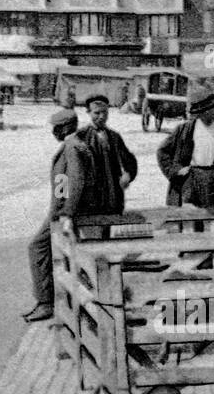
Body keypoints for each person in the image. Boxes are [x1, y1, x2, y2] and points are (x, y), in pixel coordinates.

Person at [23, 109, 92, 323]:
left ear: (66, 127)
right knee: (57, 254)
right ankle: (52, 301)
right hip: (60, 210)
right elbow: (64, 180)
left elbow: (76, 181)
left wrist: (66, 212)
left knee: (37, 247)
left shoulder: (72, 148)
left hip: (65, 213)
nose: (53, 132)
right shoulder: (73, 145)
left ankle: (46, 303)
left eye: (56, 128)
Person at [75, 95, 138, 215]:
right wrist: (63, 207)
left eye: (105, 112)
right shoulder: (80, 137)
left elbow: (129, 159)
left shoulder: (114, 137)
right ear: (88, 112)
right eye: (97, 113)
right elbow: (64, 173)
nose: (101, 117)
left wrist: (128, 174)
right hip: (89, 199)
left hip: (112, 197)